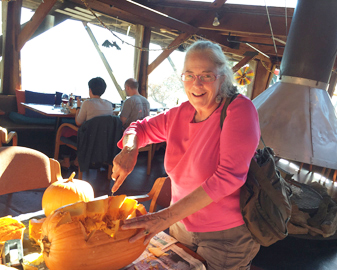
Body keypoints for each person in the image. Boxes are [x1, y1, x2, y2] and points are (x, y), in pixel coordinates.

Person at [111, 40, 261, 270]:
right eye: (189, 75)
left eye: (206, 75)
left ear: (222, 77)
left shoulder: (238, 110)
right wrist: (130, 149)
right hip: (180, 225)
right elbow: (138, 128)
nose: (196, 83)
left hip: (225, 238)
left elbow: (229, 177)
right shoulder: (180, 113)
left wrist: (163, 218)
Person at [59, 77, 114, 168]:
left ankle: (66, 162)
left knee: (64, 130)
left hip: (87, 141)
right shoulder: (109, 104)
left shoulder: (87, 103)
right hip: (103, 141)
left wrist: (78, 108)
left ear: (90, 90)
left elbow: (78, 122)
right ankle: (77, 160)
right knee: (85, 131)